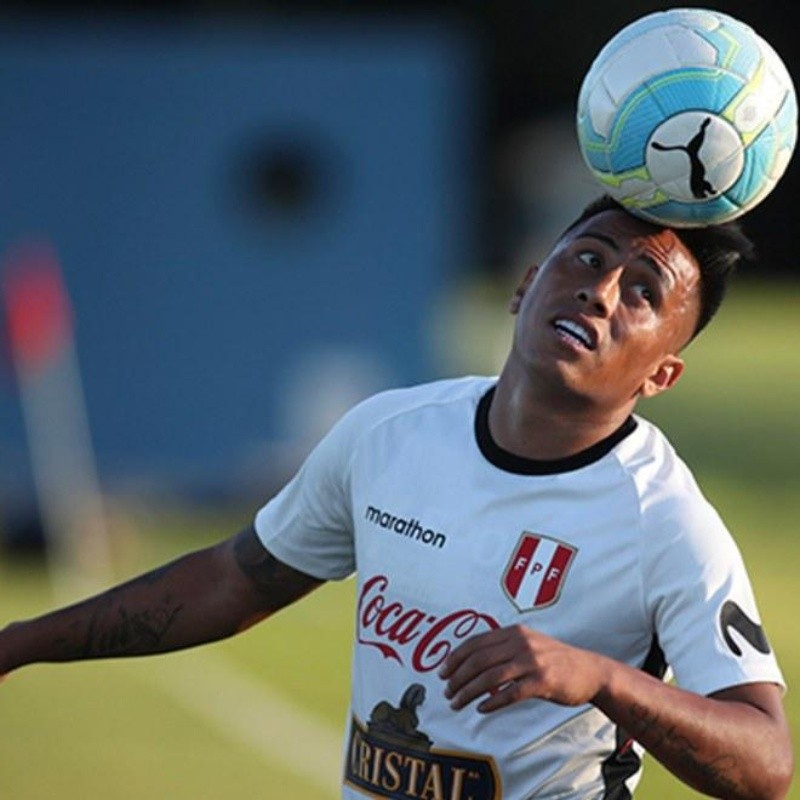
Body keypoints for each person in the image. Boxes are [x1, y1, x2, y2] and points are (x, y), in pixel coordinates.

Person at [0, 195, 793, 800]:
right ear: (526, 285)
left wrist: (602, 678)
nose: (601, 291)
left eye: (644, 290)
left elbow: (766, 762)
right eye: (586, 260)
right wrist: (21, 641)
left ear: (662, 375)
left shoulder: (665, 522)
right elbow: (231, 580)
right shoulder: (390, 434)